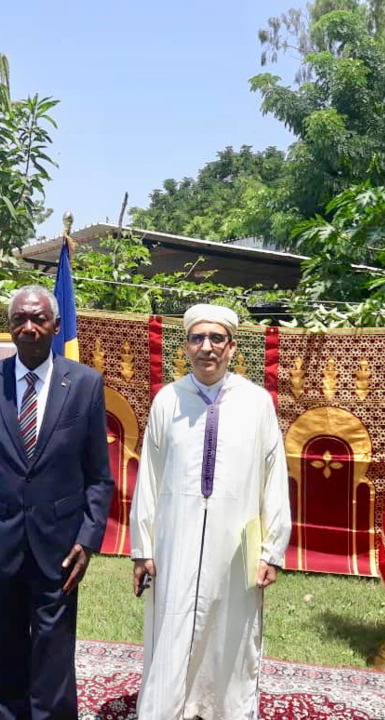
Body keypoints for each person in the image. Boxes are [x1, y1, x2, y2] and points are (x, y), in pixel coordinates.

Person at [0, 285, 114, 720]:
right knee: (3, 649)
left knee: (53, 652)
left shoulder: (85, 385)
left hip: (59, 548)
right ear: (9, 327)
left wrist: (89, 538)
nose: (29, 327)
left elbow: (99, 474)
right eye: (20, 319)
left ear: (56, 326)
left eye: (38, 319)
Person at [129, 303, 292, 720]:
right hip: (174, 544)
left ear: (233, 347)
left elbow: (274, 476)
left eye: (216, 339)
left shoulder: (256, 403)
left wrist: (272, 550)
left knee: (232, 636)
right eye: (197, 338)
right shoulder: (168, 400)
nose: (207, 348)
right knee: (171, 629)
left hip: (236, 547)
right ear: (185, 346)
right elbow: (148, 475)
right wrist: (142, 548)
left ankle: (225, 710)